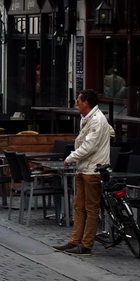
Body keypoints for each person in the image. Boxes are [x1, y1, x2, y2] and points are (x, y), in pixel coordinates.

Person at [54, 90, 114, 256]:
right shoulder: (89, 119)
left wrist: (70, 158)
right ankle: (75, 241)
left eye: (78, 101)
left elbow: (89, 147)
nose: (76, 104)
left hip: (93, 170)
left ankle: (86, 245)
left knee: (91, 208)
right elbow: (110, 131)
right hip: (84, 168)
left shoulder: (97, 120)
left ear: (86, 102)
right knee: (79, 206)